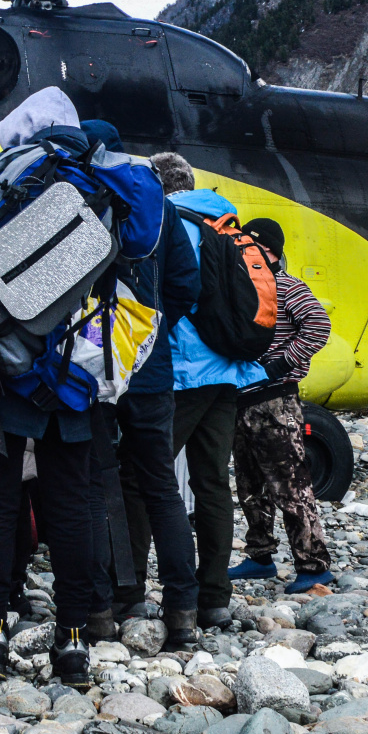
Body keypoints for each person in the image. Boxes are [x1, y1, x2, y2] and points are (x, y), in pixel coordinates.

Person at [0, 88, 161, 688]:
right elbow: (137, 271)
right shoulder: (106, 181)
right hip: (73, 368)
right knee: (73, 505)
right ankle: (73, 641)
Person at [75, 126, 202, 647]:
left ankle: (101, 609)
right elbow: (186, 284)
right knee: (161, 488)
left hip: (88, 365)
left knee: (95, 483)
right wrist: (148, 330)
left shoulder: (75, 198)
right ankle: (183, 612)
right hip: (149, 365)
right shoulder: (160, 207)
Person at [160, 154, 269, 629]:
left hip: (184, 371)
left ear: (160, 186)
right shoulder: (225, 221)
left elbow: (175, 292)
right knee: (212, 484)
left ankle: (137, 593)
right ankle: (214, 597)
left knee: (144, 478)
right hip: (228, 370)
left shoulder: (170, 221)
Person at [230, 218, 334, 593]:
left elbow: (319, 326)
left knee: (291, 486)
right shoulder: (241, 287)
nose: (242, 251)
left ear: (269, 250)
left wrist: (281, 364)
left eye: (249, 245)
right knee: (249, 485)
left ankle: (313, 565)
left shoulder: (288, 287)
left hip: (276, 400)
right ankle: (260, 557)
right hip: (242, 400)